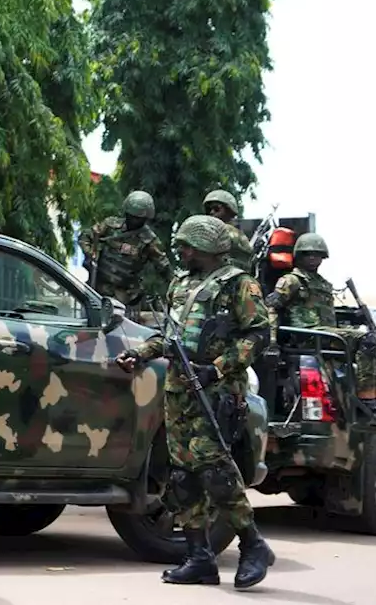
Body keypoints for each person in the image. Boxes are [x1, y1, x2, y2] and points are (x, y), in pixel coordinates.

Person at [115, 214, 275, 590]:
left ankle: (254, 545)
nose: (181, 252)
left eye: (186, 245)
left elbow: (258, 336)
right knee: (183, 476)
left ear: (206, 246)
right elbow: (171, 337)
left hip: (215, 392)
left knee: (215, 470)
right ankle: (199, 557)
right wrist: (140, 353)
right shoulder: (181, 284)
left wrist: (216, 369)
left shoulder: (240, 285)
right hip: (178, 390)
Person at [268, 234, 376, 408]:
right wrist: (272, 341)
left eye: (317, 254)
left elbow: (323, 311)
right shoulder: (291, 280)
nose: (313, 258)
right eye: (307, 254)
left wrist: (352, 316)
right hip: (308, 335)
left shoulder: (323, 284)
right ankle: (366, 398)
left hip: (327, 335)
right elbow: (272, 307)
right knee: (368, 341)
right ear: (299, 256)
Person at [80, 190, 172, 318]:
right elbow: (85, 237)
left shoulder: (149, 240)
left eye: (138, 218)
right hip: (96, 289)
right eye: (132, 216)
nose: (134, 220)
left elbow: (163, 266)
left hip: (125, 298)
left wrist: (173, 289)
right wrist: (90, 254)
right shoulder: (110, 225)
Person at [203, 189, 254, 272]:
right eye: (209, 210)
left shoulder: (224, 230)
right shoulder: (238, 233)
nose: (211, 212)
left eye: (216, 209)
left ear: (229, 210)